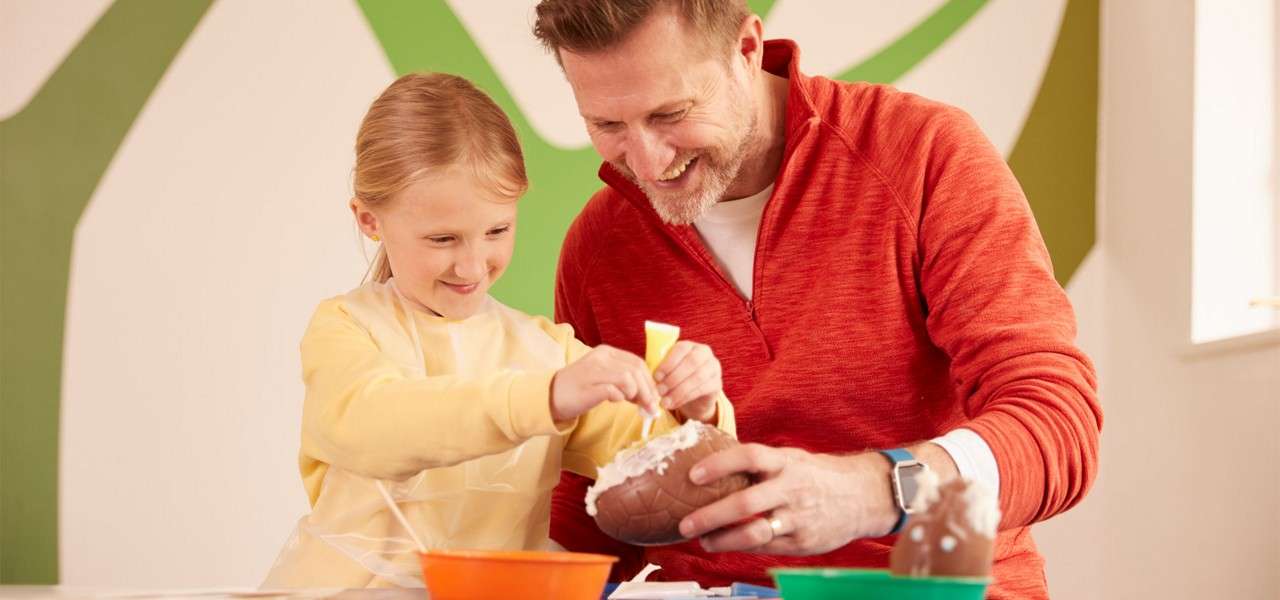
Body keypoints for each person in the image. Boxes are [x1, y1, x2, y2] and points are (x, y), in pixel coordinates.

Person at [532, 2, 1103, 598]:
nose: (648, 162)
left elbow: (1056, 423)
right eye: (608, 126)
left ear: (747, 50)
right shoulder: (598, 247)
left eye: (671, 113)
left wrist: (875, 490)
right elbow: (589, 504)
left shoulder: (923, 154)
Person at [262, 72, 735, 588]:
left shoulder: (543, 352)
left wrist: (698, 412)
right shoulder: (348, 329)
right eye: (442, 239)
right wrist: (545, 398)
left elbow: (662, 467)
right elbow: (378, 427)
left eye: (496, 231)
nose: (471, 265)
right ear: (369, 220)